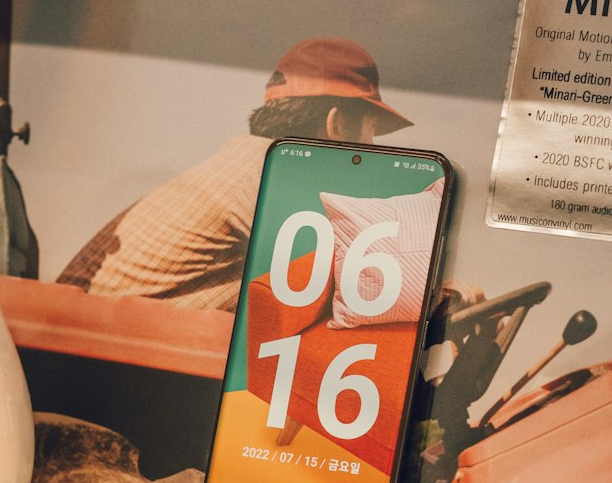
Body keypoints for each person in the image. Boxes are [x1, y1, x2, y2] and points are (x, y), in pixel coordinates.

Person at [57, 37, 412, 313]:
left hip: (82, 362)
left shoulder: (243, 169)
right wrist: (459, 294)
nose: (370, 152)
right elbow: (371, 288)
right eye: (369, 130)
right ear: (335, 125)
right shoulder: (272, 183)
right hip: (103, 378)